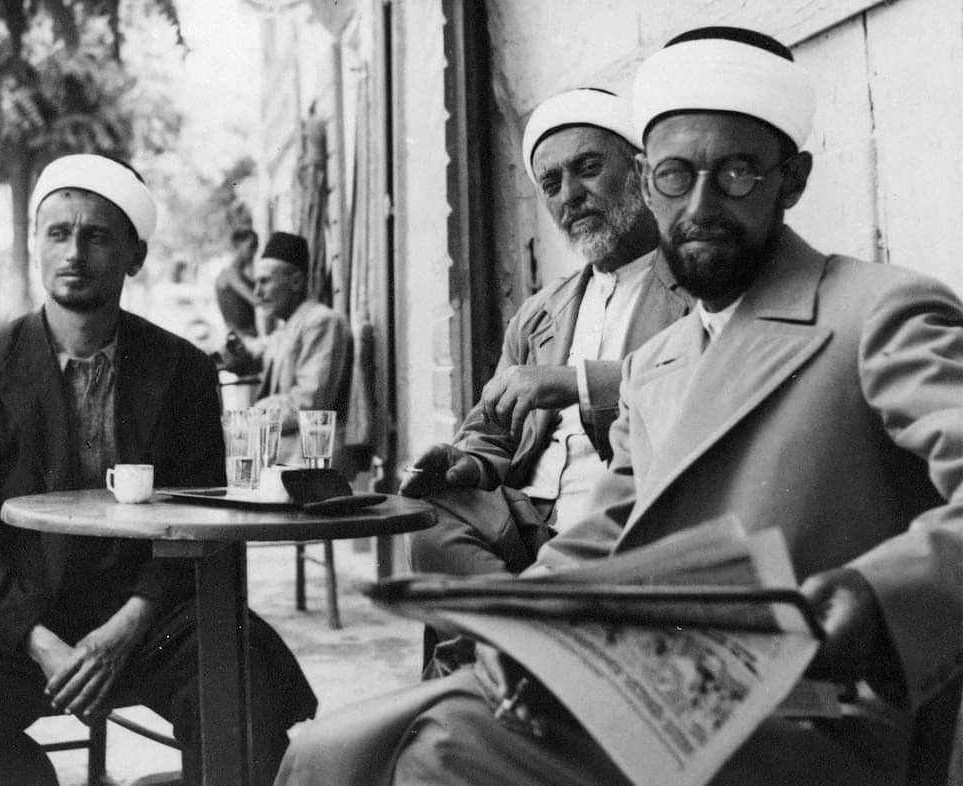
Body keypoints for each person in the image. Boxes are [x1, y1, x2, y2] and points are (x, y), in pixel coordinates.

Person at [274, 27, 963, 786]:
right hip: (661, 695)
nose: (701, 206)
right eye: (676, 175)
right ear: (649, 177)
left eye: (736, 173)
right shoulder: (659, 361)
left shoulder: (879, 311)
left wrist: (877, 592)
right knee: (334, 749)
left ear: (790, 179)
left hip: (813, 715)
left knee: (442, 746)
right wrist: (521, 630)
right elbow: (599, 535)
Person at [0, 154, 316, 786]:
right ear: (37, 246)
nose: (73, 252)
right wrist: (39, 640)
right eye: (58, 233)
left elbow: (202, 516)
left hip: (148, 613)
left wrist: (126, 627)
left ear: (134, 255)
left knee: (245, 683)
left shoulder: (182, 372)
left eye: (96, 235)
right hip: (13, 617)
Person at [402, 88, 692, 577]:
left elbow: (694, 389)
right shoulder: (542, 311)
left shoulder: (694, 289)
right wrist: (466, 464)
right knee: (430, 515)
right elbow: (492, 429)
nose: (569, 196)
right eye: (551, 184)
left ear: (641, 173)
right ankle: (527, 621)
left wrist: (574, 384)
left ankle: (509, 632)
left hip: (621, 514)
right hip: (528, 517)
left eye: (587, 168)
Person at [220, 231, 353, 467]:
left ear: (296, 282)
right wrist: (235, 354)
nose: (258, 293)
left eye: (265, 281)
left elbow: (310, 403)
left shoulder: (321, 322)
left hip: (311, 468)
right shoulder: (288, 328)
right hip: (285, 464)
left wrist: (253, 415)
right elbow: (256, 352)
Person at [215, 227, 261, 337]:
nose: (254, 252)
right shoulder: (229, 274)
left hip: (247, 337)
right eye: (251, 246)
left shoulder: (242, 275)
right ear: (238, 245)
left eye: (256, 247)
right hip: (240, 340)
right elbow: (256, 300)